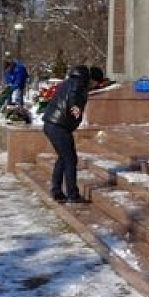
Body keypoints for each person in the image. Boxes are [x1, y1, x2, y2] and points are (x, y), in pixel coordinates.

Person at [43, 65, 105, 203]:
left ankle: (57, 191)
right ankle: (72, 194)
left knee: (64, 157)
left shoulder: (73, 80)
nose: (96, 86)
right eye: (96, 83)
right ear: (92, 79)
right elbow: (73, 94)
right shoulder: (78, 83)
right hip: (58, 126)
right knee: (70, 159)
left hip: (53, 124)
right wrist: (75, 106)